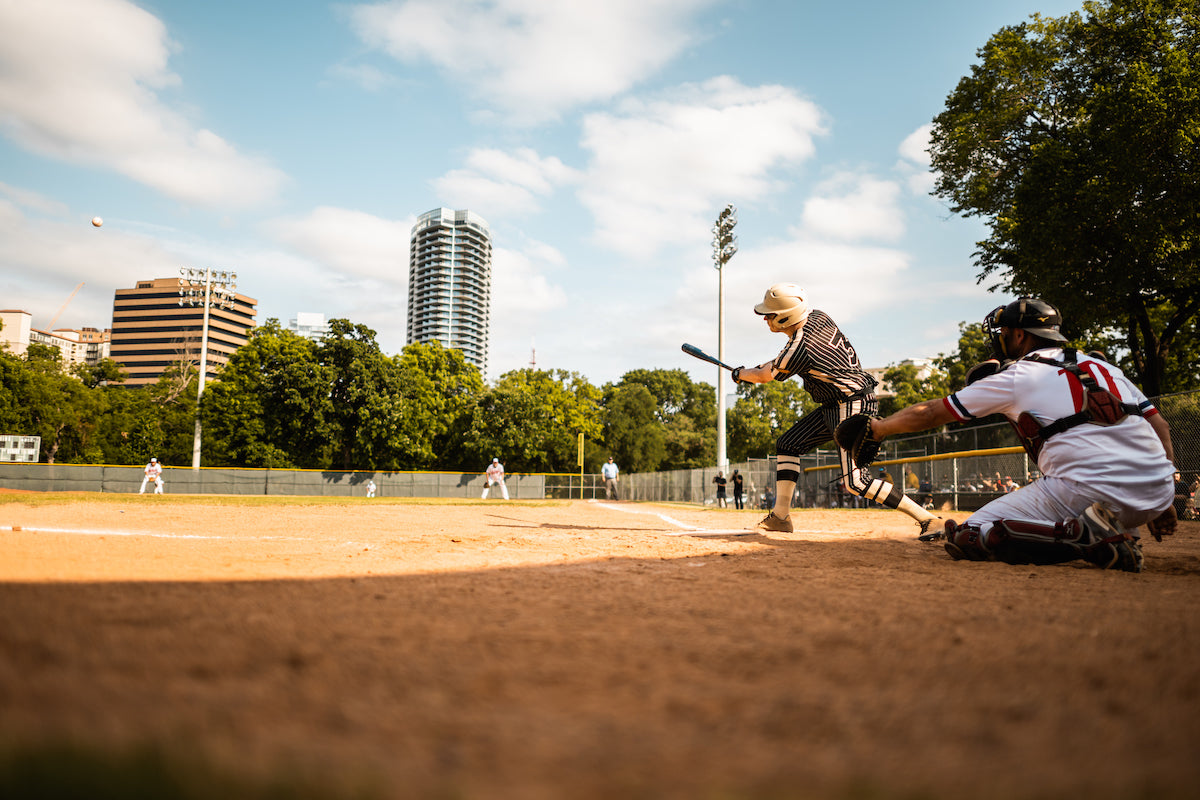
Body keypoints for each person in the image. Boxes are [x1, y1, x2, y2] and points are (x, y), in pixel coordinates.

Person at [867, 297, 1177, 572]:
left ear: (1019, 335)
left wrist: (879, 428)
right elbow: (1160, 427)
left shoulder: (1018, 375)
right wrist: (1163, 498)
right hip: (1157, 492)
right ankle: (1113, 535)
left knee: (970, 533)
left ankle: (1084, 537)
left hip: (1088, 491)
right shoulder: (1102, 367)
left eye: (1004, 333)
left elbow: (933, 412)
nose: (1001, 339)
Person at [732, 283, 940, 536]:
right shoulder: (818, 317)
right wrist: (747, 372)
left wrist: (741, 374)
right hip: (836, 402)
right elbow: (781, 360)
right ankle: (780, 517)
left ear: (787, 316)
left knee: (855, 482)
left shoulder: (800, 349)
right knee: (788, 444)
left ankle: (928, 519)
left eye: (771, 314)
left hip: (851, 404)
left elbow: (766, 374)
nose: (766, 319)